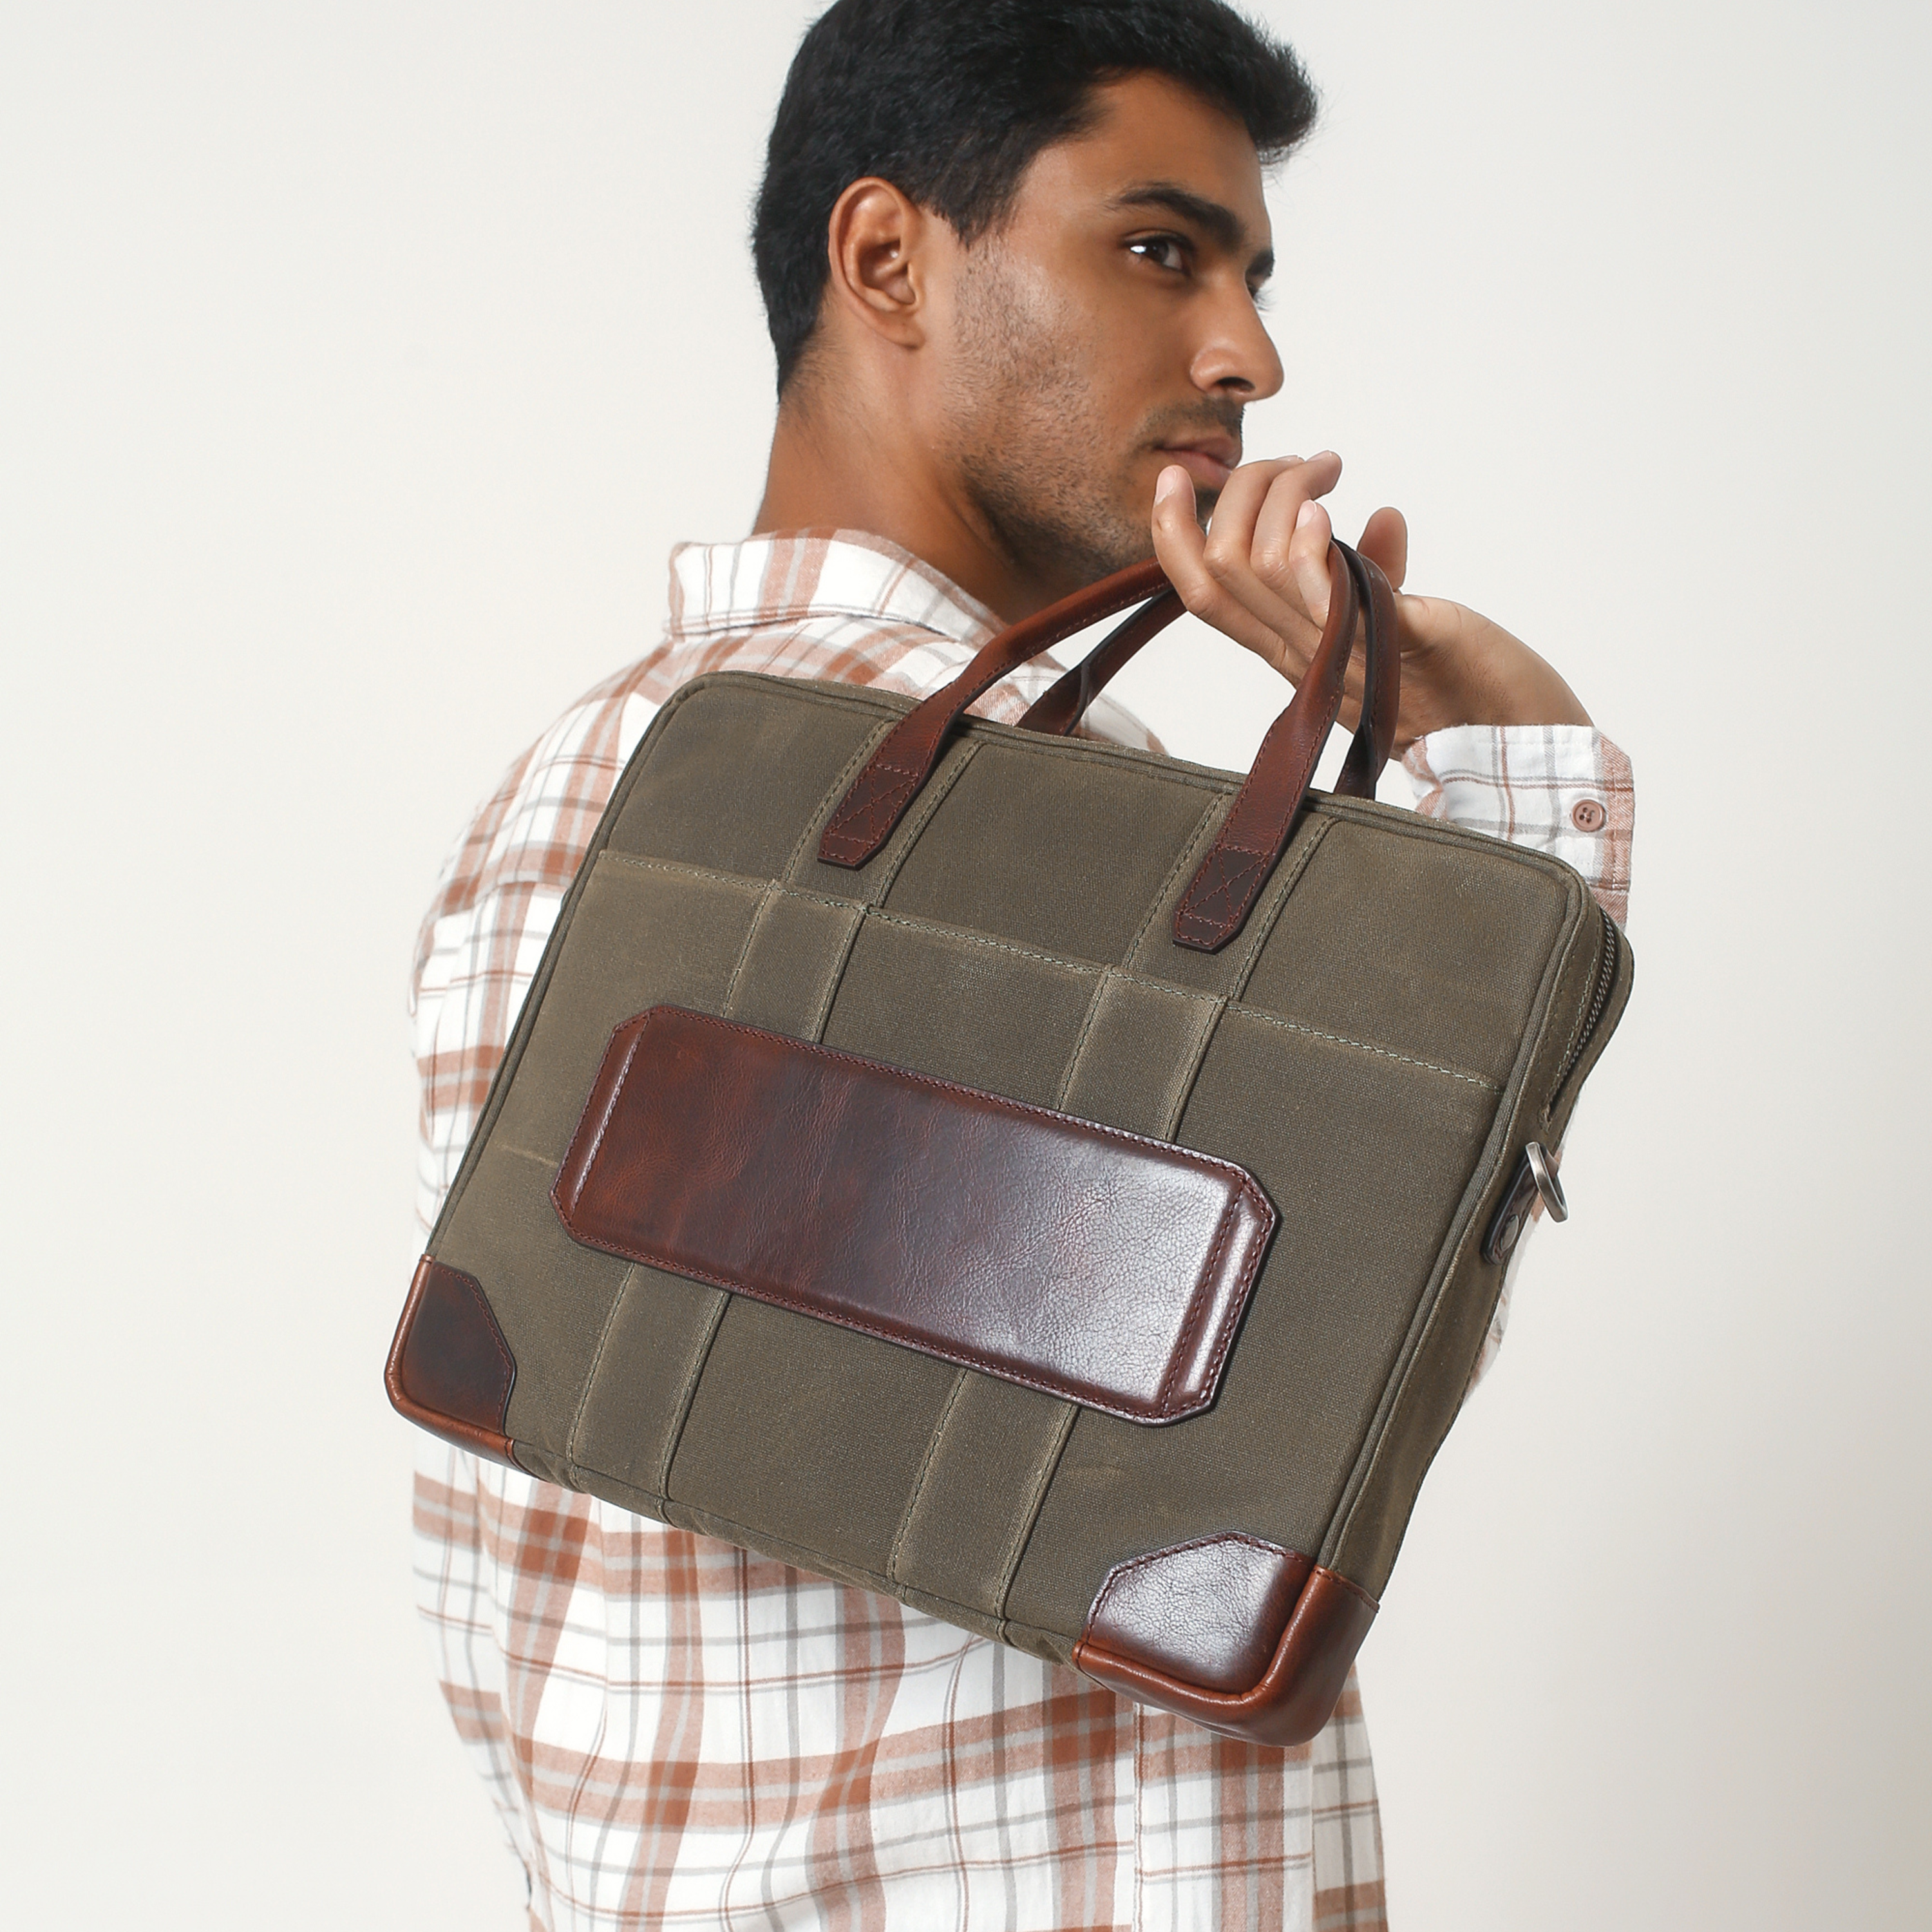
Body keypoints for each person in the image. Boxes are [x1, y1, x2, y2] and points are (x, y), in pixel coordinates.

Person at [407, 3, 1635, 1924]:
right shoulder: (1031, 843)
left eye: (1249, 270)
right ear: (887, 259)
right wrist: (1509, 756)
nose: (1248, 349)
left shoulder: (588, 777)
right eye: (1162, 249)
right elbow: (1339, 1380)